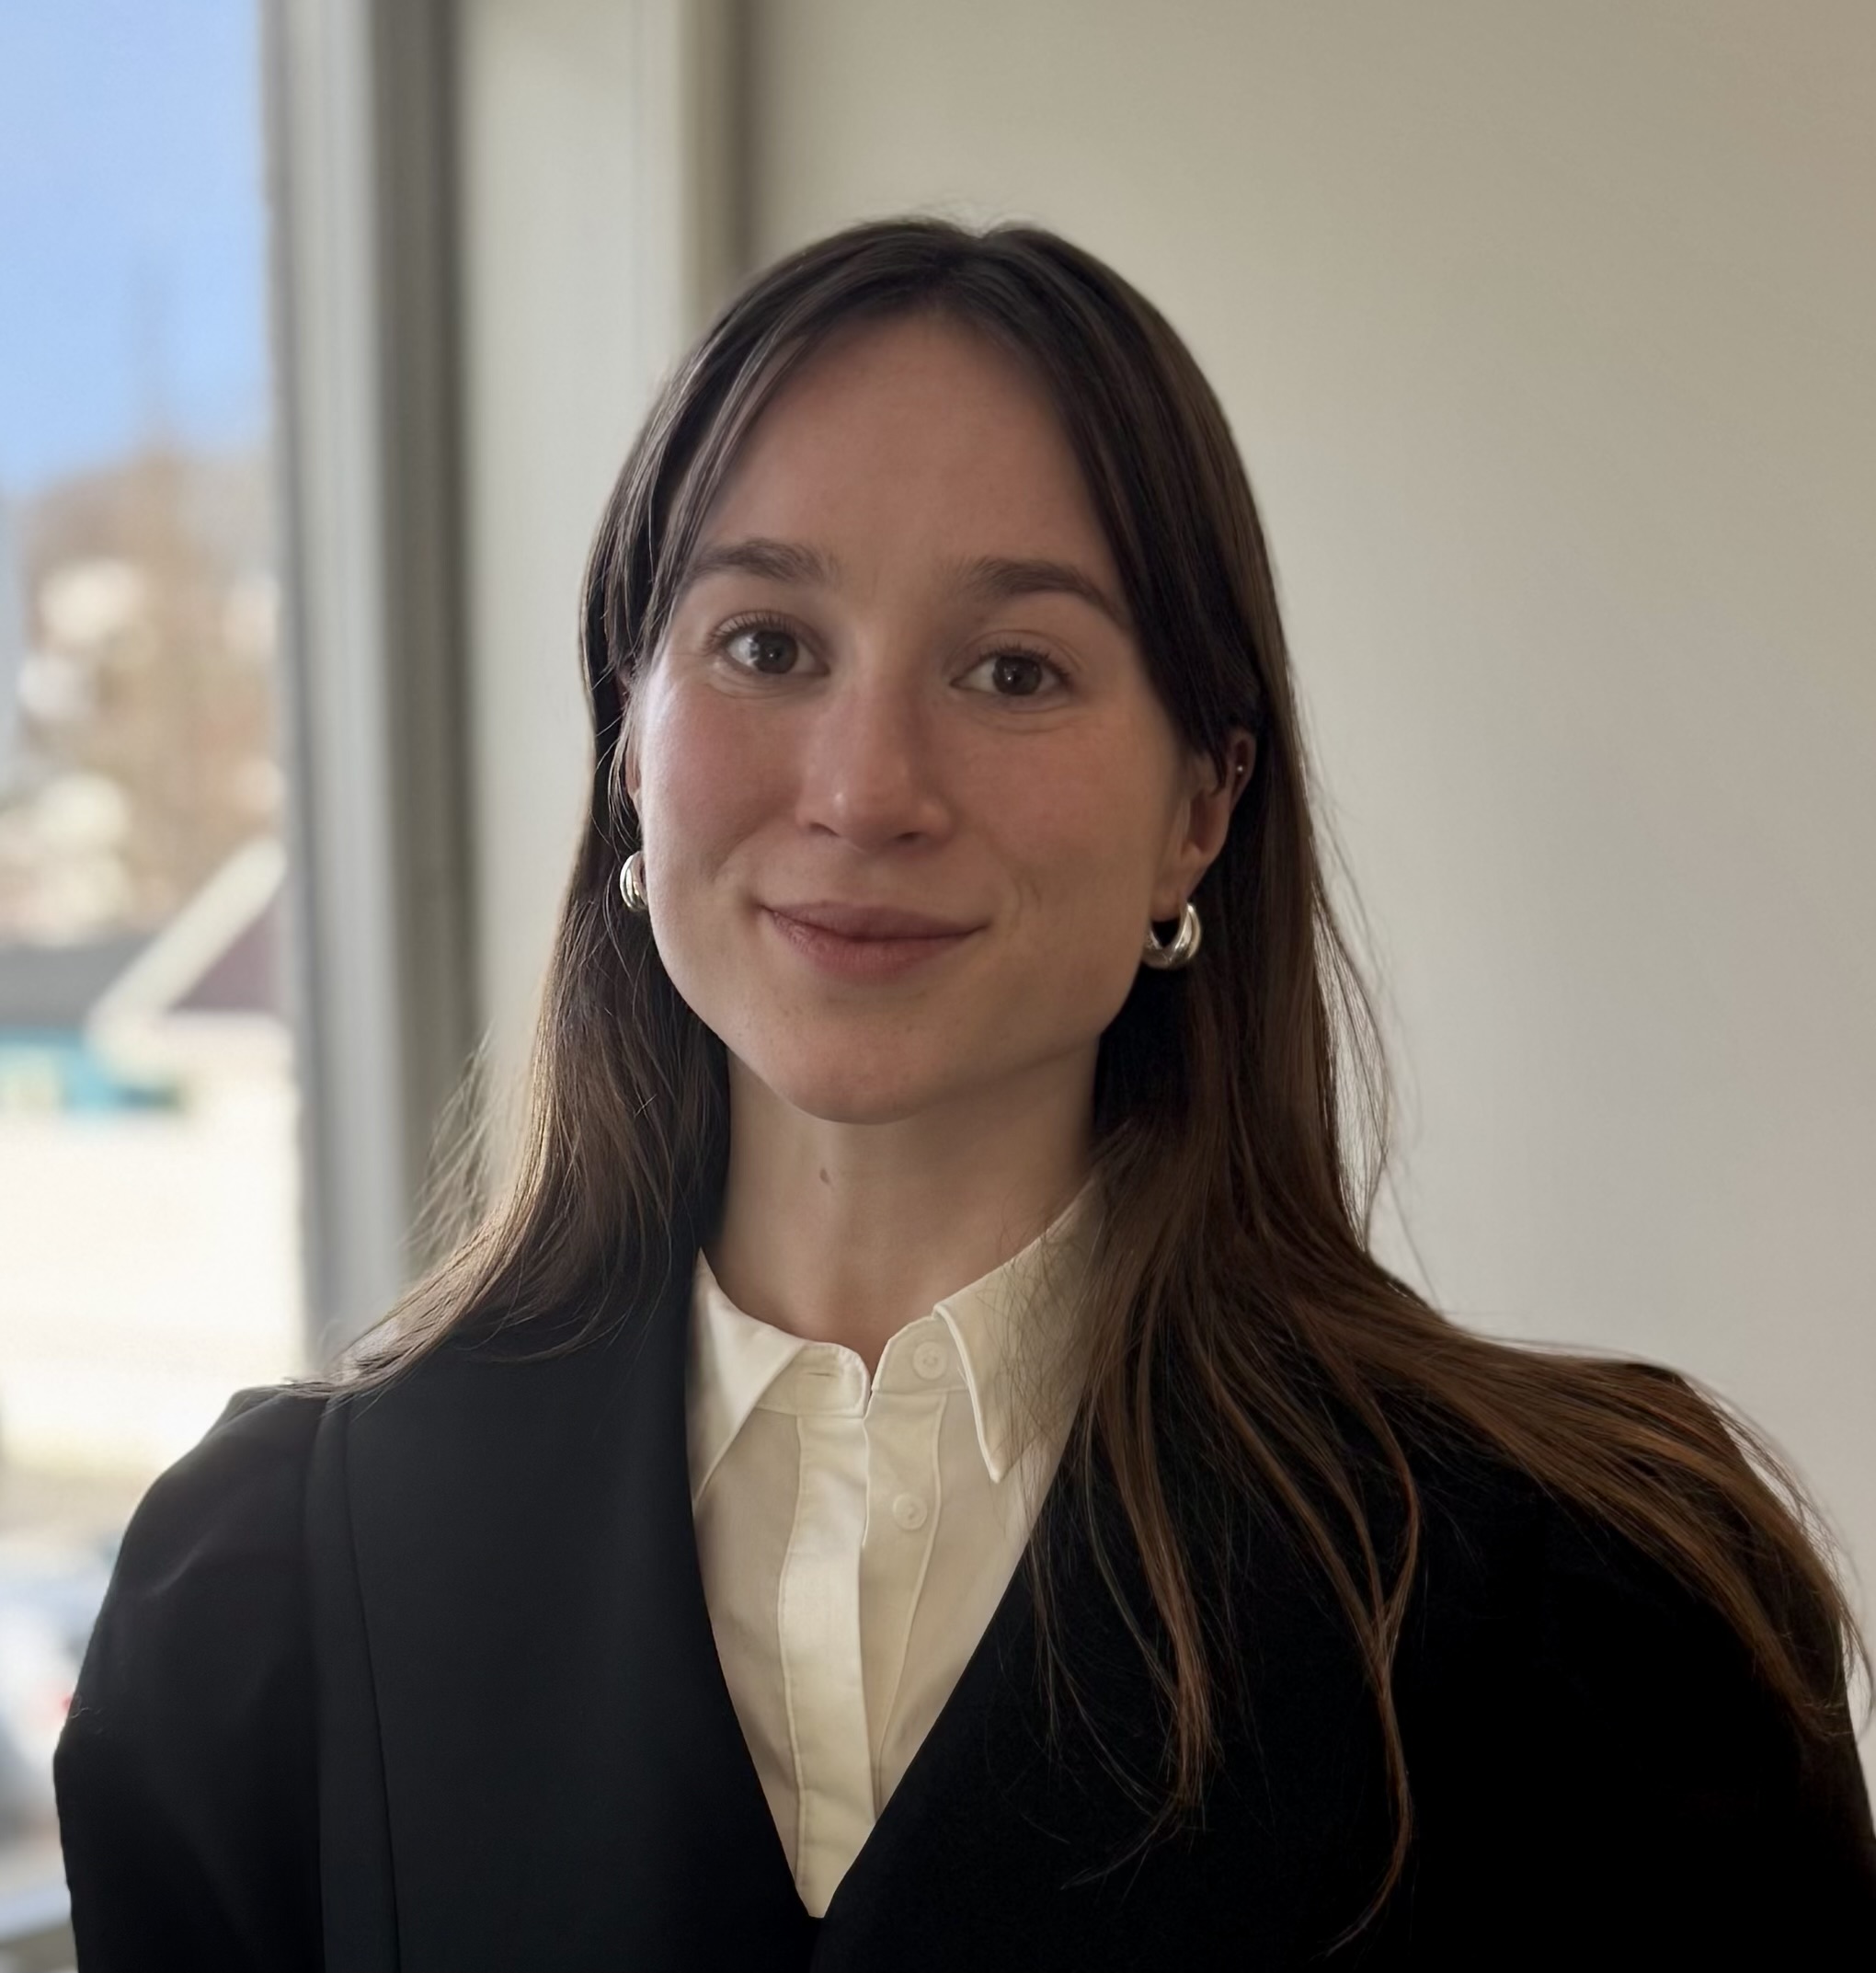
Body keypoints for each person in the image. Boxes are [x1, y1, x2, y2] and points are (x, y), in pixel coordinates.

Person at [54, 217, 1876, 1969]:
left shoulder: (1598, 1607)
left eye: (1016, 670)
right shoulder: (265, 1605)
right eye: (767, 644)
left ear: (1201, 808)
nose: (867, 789)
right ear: (631, 743)